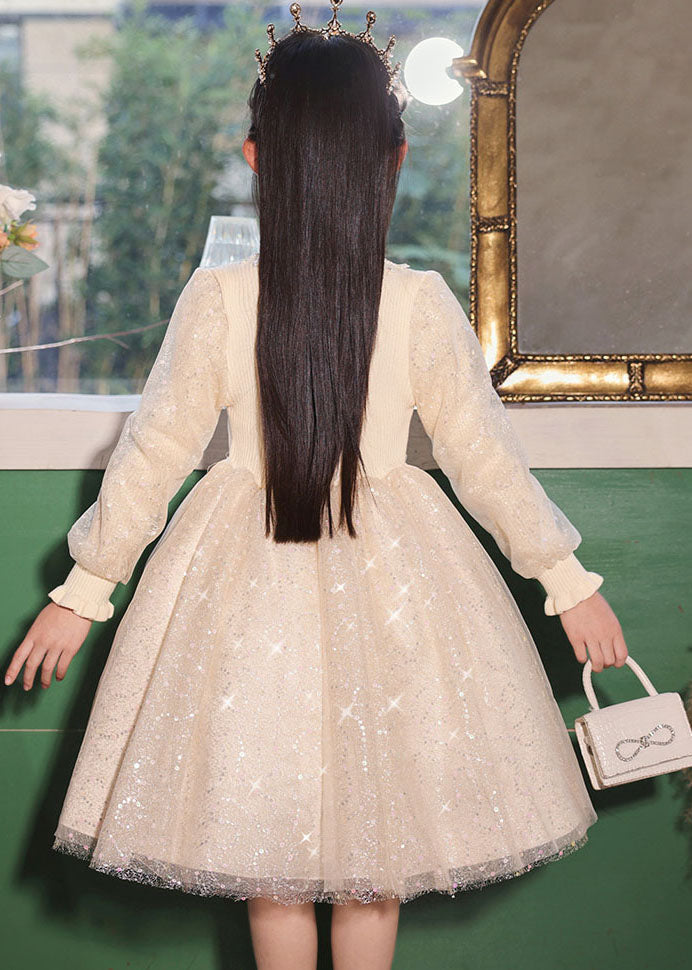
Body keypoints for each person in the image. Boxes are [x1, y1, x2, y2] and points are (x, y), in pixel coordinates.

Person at [5, 3, 628, 969]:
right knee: (373, 862)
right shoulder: (418, 302)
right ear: (394, 158)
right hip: (400, 589)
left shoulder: (220, 298)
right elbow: (486, 462)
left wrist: (84, 593)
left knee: (276, 857)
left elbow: (153, 455)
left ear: (256, 158)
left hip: (244, 584)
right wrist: (568, 580)